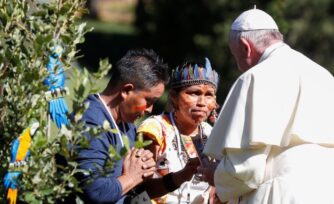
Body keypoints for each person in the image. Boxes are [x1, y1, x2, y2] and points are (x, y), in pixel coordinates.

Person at [199, 8, 334, 204]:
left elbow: (246, 170)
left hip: (282, 194)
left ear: (246, 47)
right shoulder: (324, 75)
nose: (239, 66)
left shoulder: (255, 77)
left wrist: (216, 175)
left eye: (235, 57)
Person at [77, 49, 200, 204]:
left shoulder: (127, 126)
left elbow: (138, 192)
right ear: (127, 90)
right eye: (148, 101)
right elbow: (95, 191)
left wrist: (180, 176)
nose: (149, 109)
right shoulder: (90, 122)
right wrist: (132, 176)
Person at [137, 58, 219, 203]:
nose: (202, 103)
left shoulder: (211, 133)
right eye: (194, 93)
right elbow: (141, 187)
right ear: (174, 97)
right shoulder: (154, 129)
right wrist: (181, 176)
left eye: (208, 95)